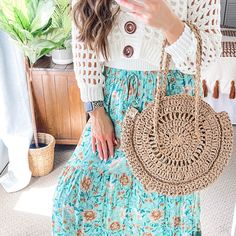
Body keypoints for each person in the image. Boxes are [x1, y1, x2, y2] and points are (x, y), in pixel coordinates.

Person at [52, 0, 222, 235]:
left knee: (161, 213)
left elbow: (208, 57)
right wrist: (96, 110)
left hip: (170, 109)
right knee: (72, 203)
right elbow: (83, 40)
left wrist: (170, 23)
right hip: (112, 102)